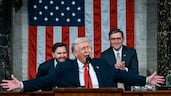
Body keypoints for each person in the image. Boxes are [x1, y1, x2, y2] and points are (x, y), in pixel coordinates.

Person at [0, 37, 164, 92]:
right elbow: (45, 81)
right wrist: (21, 84)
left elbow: (124, 76)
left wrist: (146, 80)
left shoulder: (102, 64)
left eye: (89, 47)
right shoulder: (65, 67)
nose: (87, 50)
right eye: (83, 48)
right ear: (75, 52)